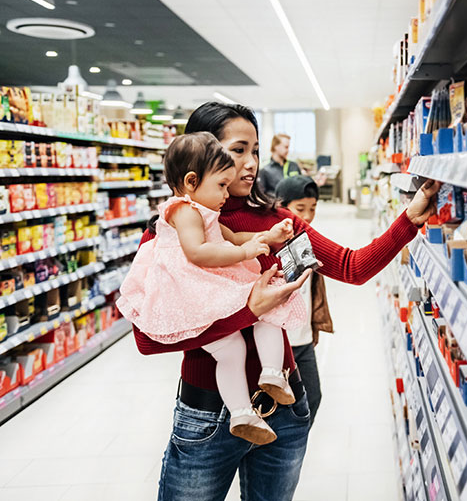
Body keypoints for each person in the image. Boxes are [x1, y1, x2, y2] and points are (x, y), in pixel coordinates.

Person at [130, 101, 440, 501]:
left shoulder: (278, 224)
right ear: (201, 153)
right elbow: (147, 339)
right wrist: (249, 310)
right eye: (237, 150)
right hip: (208, 416)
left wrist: (409, 219)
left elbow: (352, 266)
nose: (250, 163)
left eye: (255, 150)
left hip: (284, 411)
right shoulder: (171, 234)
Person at [118, 132, 305, 446]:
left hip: (204, 290)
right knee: (258, 318)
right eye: (221, 185)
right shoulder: (184, 210)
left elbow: (231, 238)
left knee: (236, 346)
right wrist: (246, 254)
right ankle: (259, 389)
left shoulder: (204, 211)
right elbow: (198, 252)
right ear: (191, 182)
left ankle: (251, 400)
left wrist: (269, 236)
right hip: (192, 292)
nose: (225, 194)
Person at [274, 175, 331, 427]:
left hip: (303, 339)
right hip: (279, 342)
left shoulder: (307, 240)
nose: (307, 217)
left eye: (313, 208)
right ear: (281, 206)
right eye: (300, 209)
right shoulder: (271, 243)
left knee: (313, 397)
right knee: (283, 404)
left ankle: (292, 446)